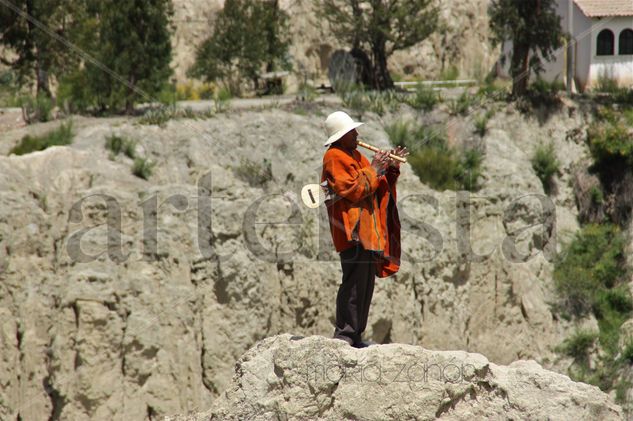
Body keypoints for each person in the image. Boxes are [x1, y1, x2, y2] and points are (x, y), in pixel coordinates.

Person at [320, 111, 407, 348]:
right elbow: (353, 190)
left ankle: (356, 334)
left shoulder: (356, 155)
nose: (357, 135)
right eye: (352, 132)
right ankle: (345, 334)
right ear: (341, 136)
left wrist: (389, 168)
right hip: (352, 232)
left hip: (367, 233)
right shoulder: (334, 157)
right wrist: (375, 168)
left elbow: (375, 186)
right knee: (353, 283)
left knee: (366, 285)